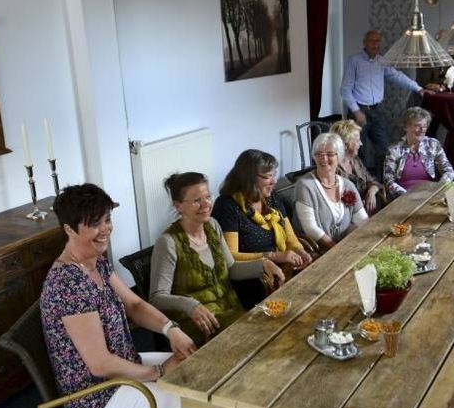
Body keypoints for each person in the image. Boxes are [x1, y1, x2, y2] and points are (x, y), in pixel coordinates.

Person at [39, 184, 228, 408]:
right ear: (69, 229)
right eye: (94, 223)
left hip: (127, 370)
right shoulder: (68, 284)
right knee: (217, 406)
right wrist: (159, 373)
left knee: (210, 373)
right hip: (98, 398)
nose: (105, 230)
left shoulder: (94, 261)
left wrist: (171, 329)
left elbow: (135, 305)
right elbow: (100, 364)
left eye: (107, 219)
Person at [150, 172, 285, 344]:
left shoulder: (212, 225)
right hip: (199, 325)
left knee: (277, 327)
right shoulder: (168, 243)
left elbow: (232, 268)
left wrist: (264, 264)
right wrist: (190, 305)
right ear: (178, 206)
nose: (206, 204)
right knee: (264, 337)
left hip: (231, 312)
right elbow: (157, 298)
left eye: (207, 197)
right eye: (197, 200)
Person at [211, 149, 312, 308]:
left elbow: (290, 236)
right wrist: (273, 256)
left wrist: (300, 251)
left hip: (281, 269)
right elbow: (230, 256)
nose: (274, 181)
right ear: (248, 179)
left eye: (274, 175)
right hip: (252, 279)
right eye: (267, 177)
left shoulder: (271, 198)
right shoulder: (227, 206)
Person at [340, 30, 430, 173]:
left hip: (376, 110)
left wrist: (418, 89)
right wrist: (356, 111)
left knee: (383, 148)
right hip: (358, 111)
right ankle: (360, 184)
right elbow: (345, 90)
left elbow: (397, 76)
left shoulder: (382, 61)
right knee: (358, 151)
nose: (375, 44)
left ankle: (381, 184)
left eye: (377, 41)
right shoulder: (354, 61)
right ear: (364, 43)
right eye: (371, 41)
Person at [294, 133, 368, 250]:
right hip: (318, 251)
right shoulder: (305, 186)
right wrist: (337, 250)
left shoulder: (348, 185)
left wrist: (368, 240)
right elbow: (311, 229)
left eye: (330, 154)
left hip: (345, 246)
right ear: (314, 156)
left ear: (339, 157)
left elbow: (362, 219)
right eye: (319, 154)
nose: (324, 158)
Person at [382, 107, 454, 197]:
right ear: (406, 127)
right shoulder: (394, 150)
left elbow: (448, 170)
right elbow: (388, 180)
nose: (422, 130)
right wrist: (406, 196)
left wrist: (439, 187)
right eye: (417, 126)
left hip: (430, 195)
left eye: (424, 126)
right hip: (403, 197)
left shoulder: (433, 144)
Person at [331, 119, 384, 214]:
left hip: (365, 212)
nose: (361, 143)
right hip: (348, 216)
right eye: (357, 140)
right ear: (345, 143)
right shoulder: (333, 168)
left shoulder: (355, 160)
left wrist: (371, 191)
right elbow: (337, 200)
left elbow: (372, 181)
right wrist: (359, 205)